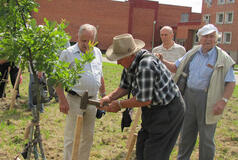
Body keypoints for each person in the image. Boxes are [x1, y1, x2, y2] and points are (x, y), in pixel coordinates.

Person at [156, 24, 236, 160]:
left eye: (212, 36)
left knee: (206, 138)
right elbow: (176, 67)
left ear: (216, 39)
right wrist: (162, 60)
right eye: (205, 36)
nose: (208, 39)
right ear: (200, 39)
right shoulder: (193, 52)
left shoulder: (223, 58)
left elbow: (231, 82)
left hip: (209, 100)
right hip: (188, 97)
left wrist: (223, 101)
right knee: (186, 133)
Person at [99, 33, 185, 160]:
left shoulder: (146, 65)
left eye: (120, 58)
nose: (118, 63)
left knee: (154, 154)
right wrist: (110, 98)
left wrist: (119, 105)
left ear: (131, 55)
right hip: (151, 110)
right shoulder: (129, 63)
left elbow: (144, 99)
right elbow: (125, 86)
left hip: (168, 111)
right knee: (141, 151)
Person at [55, 24, 106, 160]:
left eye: (89, 41)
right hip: (75, 100)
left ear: (94, 40)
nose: (86, 44)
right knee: (71, 136)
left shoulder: (97, 53)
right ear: (77, 37)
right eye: (83, 40)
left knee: (88, 136)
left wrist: (104, 95)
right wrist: (62, 99)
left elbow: (100, 75)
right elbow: (56, 77)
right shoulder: (68, 53)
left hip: (92, 100)